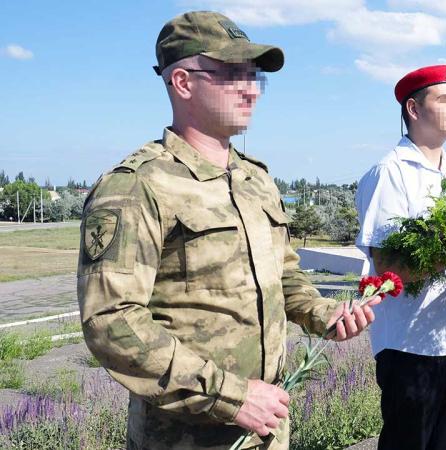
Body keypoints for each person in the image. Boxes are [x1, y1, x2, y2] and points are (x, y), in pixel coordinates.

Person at [77, 11, 379, 450]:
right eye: (232, 74)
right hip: (185, 437)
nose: (250, 89)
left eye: (254, 76)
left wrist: (322, 313)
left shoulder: (256, 179)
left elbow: (285, 275)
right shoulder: (137, 185)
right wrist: (230, 396)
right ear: (183, 82)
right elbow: (111, 320)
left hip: (268, 426)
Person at [355, 64, 446, 450]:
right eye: (445, 99)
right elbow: (388, 267)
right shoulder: (389, 173)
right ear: (414, 110)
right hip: (412, 345)